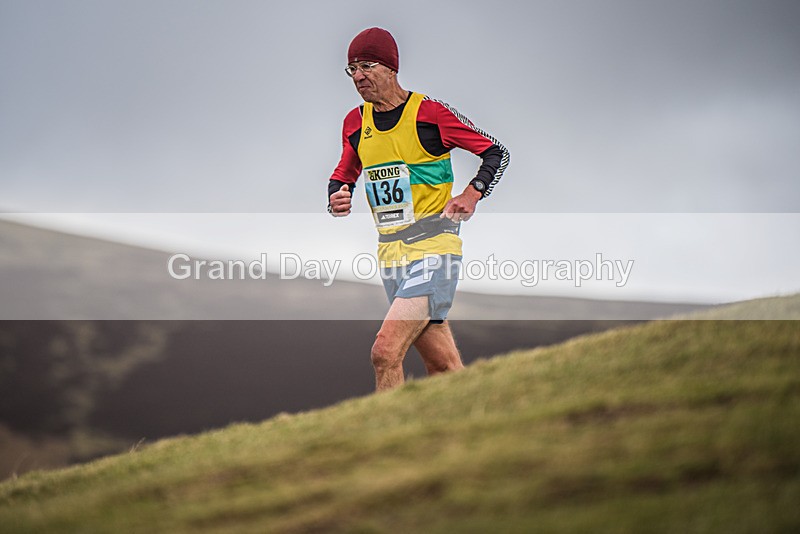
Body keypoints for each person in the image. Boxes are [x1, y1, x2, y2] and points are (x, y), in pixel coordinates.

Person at [328, 27, 509, 391]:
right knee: (443, 366)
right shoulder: (354, 122)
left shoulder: (429, 113)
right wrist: (337, 195)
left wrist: (472, 194)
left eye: (367, 66)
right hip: (391, 253)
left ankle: (386, 439)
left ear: (392, 68)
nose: (359, 76)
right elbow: (345, 172)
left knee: (385, 351)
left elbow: (495, 152)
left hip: (434, 249)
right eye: (352, 69)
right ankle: (481, 419)